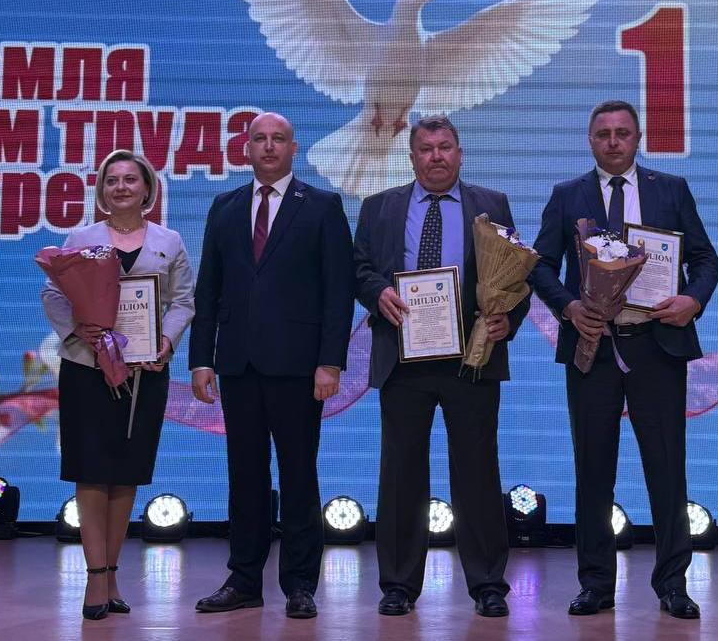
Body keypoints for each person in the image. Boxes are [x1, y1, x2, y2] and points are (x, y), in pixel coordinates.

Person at [530, 100, 718, 620]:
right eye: (603, 134)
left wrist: (692, 300)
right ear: (590, 140)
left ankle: (673, 584)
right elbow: (540, 265)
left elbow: (705, 258)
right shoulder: (567, 195)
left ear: (638, 138)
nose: (613, 141)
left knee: (666, 467)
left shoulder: (671, 190)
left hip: (657, 346)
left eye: (622, 133)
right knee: (593, 469)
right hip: (592, 346)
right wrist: (568, 307)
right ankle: (595, 584)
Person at [353, 116, 529, 619]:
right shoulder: (379, 207)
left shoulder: (492, 205)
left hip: (471, 359)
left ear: (460, 153)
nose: (436, 156)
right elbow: (359, 267)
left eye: (445, 147)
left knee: (477, 472)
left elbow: (516, 275)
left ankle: (488, 584)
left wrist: (508, 321)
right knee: (401, 474)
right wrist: (377, 293)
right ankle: (398, 585)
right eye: (426, 148)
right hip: (403, 357)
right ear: (411, 157)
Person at [188, 112, 354, 620]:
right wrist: (201, 360)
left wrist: (331, 362)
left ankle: (300, 584)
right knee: (245, 475)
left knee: (299, 474)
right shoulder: (225, 207)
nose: (268, 147)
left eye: (278, 139)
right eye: (258, 139)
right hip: (237, 364)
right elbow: (208, 290)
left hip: (299, 366)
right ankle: (243, 578)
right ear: (246, 149)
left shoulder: (322, 206)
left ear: (293, 148)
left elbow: (339, 292)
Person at [41, 149, 195, 621]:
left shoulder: (170, 240)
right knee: (91, 470)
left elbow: (183, 301)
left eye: (130, 180)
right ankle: (93, 576)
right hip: (87, 368)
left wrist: (165, 343)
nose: (121, 187)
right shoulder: (81, 239)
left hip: (145, 372)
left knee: (126, 472)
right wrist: (79, 332)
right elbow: (54, 294)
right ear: (101, 191)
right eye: (112, 181)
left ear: (147, 189)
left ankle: (111, 574)